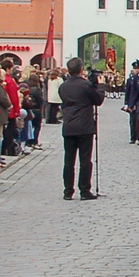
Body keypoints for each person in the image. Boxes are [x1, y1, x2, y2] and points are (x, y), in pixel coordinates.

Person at [58, 58, 106, 201]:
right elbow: (98, 100)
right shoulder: (85, 85)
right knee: (85, 160)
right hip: (84, 126)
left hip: (69, 125)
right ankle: (84, 190)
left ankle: (68, 191)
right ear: (80, 70)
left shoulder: (63, 86)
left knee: (68, 160)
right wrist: (101, 86)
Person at [123, 60, 139, 144]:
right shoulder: (135, 77)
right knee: (135, 120)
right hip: (137, 101)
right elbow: (132, 91)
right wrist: (130, 104)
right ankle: (135, 137)